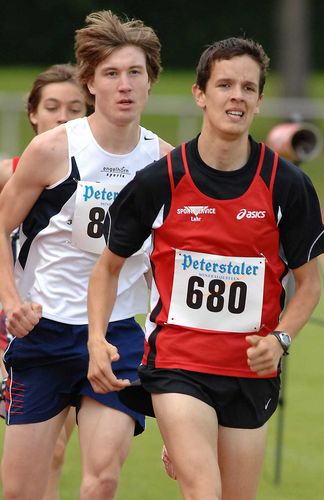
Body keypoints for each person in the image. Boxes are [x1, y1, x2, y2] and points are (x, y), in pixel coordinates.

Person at [87, 36, 324, 499]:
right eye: (224, 84)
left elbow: (310, 286)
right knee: (204, 490)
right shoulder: (160, 180)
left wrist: (280, 341)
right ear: (201, 94)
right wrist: (96, 338)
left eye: (248, 87)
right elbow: (107, 268)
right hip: (178, 362)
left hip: (249, 370)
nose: (236, 95)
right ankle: (183, 437)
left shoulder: (287, 185)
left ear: (259, 102)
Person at [0, 10, 171, 500]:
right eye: (111, 74)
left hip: (118, 333)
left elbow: (169, 263)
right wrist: (11, 299)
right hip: (45, 329)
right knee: (21, 491)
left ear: (150, 82)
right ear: (90, 83)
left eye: (134, 73)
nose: (124, 85)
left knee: (103, 478)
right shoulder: (54, 149)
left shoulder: (164, 162)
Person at [0, 62, 89, 500]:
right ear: (33, 114)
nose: (63, 116)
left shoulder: (95, 175)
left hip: (57, 322)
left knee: (56, 448)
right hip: (11, 321)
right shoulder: (12, 172)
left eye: (75, 107)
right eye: (52, 107)